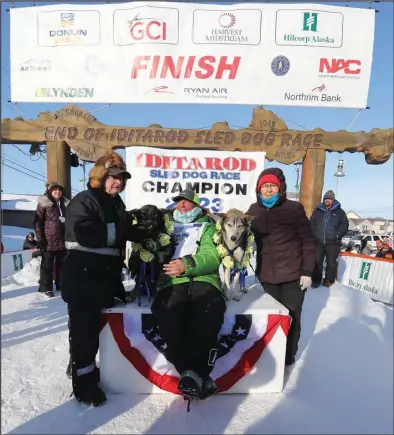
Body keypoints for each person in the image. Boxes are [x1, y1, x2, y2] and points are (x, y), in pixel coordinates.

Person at [61, 151, 149, 407]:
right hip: (83, 279)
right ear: (100, 176)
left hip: (104, 278)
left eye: (121, 178)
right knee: (84, 335)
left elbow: (123, 230)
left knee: (100, 332)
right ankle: (84, 386)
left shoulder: (115, 203)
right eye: (112, 177)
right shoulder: (84, 200)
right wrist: (120, 229)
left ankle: (82, 368)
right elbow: (83, 233)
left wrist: (144, 231)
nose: (117, 182)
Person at [151, 188, 225, 399]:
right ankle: (195, 375)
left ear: (197, 205)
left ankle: (193, 375)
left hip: (204, 279)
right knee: (168, 318)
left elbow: (212, 256)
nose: (181, 205)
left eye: (186, 202)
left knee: (207, 316)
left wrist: (188, 264)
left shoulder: (207, 226)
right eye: (178, 202)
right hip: (172, 282)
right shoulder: (165, 227)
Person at [246, 168, 316, 367]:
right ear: (259, 189)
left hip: (293, 275)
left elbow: (308, 241)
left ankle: (287, 358)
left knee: (291, 317)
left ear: (280, 187)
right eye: (264, 186)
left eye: (272, 186)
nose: (268, 190)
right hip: (267, 275)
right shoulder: (253, 210)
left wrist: (307, 272)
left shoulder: (293, 209)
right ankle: (270, 357)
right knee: (271, 318)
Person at [34, 181, 68, 297]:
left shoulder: (65, 204)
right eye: (54, 190)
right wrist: (40, 239)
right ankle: (45, 288)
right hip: (48, 241)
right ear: (50, 191)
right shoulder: (44, 203)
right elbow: (38, 222)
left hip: (62, 241)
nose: (57, 192)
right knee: (47, 266)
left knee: (62, 265)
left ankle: (62, 284)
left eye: (59, 190)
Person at [310, 190, 349, 288]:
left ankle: (328, 280)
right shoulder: (317, 211)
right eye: (326, 198)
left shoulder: (340, 212)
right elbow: (312, 223)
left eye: (330, 199)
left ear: (333, 199)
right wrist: (313, 234)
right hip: (318, 242)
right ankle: (315, 280)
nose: (327, 200)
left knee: (331, 263)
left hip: (333, 243)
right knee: (317, 261)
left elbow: (345, 224)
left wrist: (337, 235)